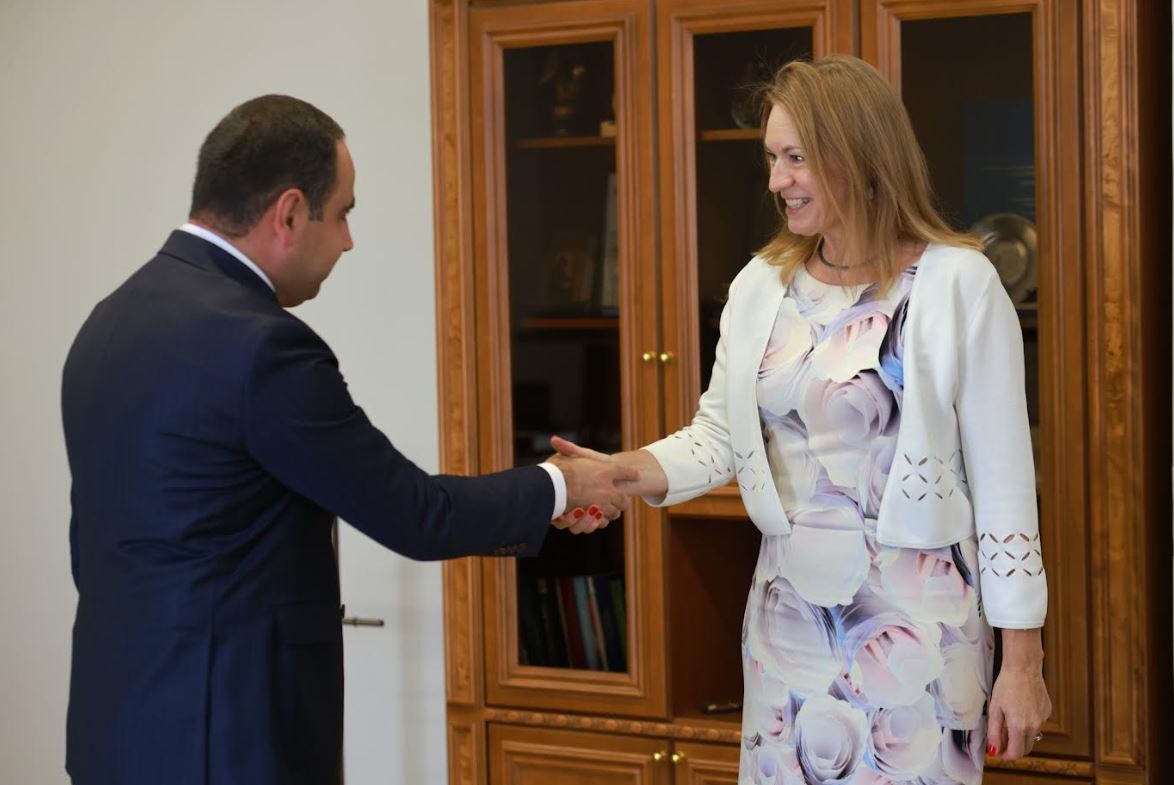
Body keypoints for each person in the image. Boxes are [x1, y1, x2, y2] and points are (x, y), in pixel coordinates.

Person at [61, 94, 635, 785]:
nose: (347, 241)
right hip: (228, 739)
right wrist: (562, 484)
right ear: (289, 213)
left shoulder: (107, 322)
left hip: (116, 730)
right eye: (342, 214)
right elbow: (416, 514)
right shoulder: (263, 347)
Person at [553, 55, 1051, 784]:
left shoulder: (959, 283)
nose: (776, 180)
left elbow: (1006, 484)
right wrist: (615, 474)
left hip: (920, 634)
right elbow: (717, 438)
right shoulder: (760, 286)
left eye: (795, 158)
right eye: (771, 159)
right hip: (787, 627)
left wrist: (1023, 662)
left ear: (860, 157)